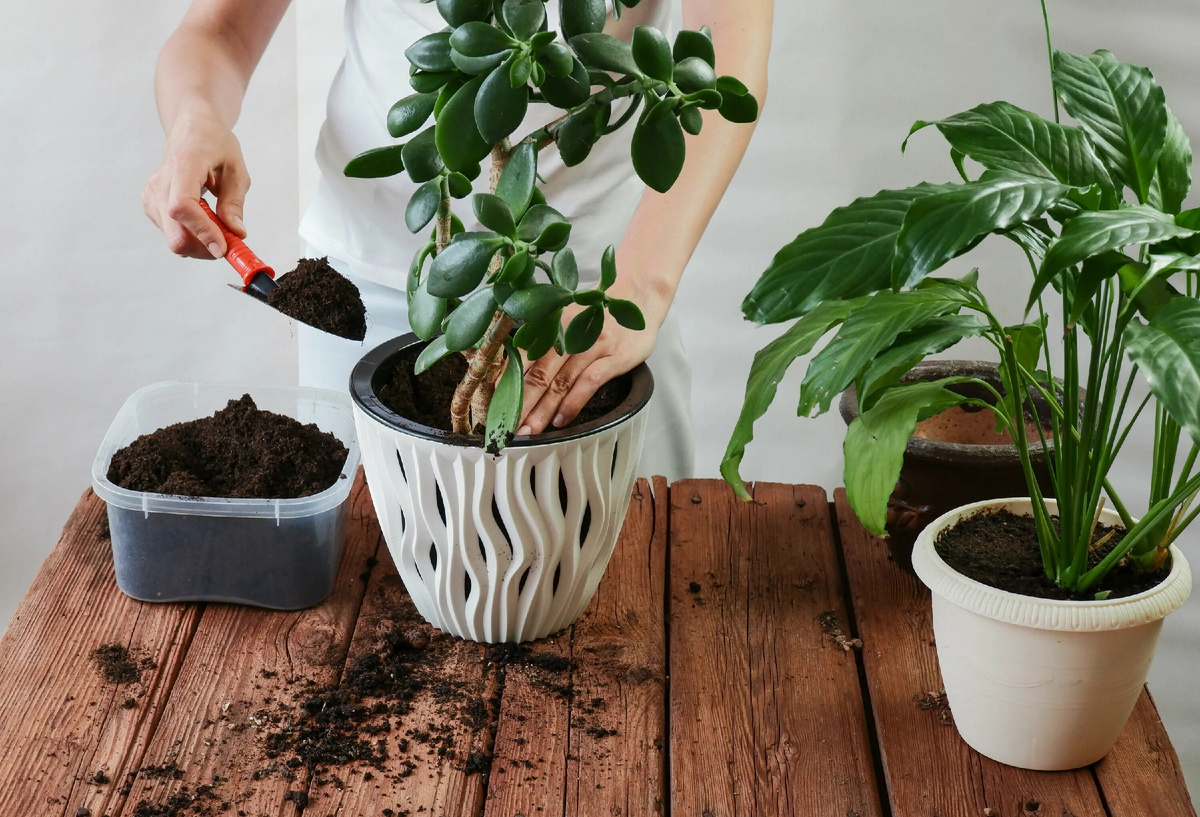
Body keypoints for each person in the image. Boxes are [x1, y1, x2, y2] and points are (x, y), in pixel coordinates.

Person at [142, 0, 772, 482]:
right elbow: (219, 29)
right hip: (369, 293)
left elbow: (727, 60)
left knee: (632, 580)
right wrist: (195, 119)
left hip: (596, 299)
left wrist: (642, 283)